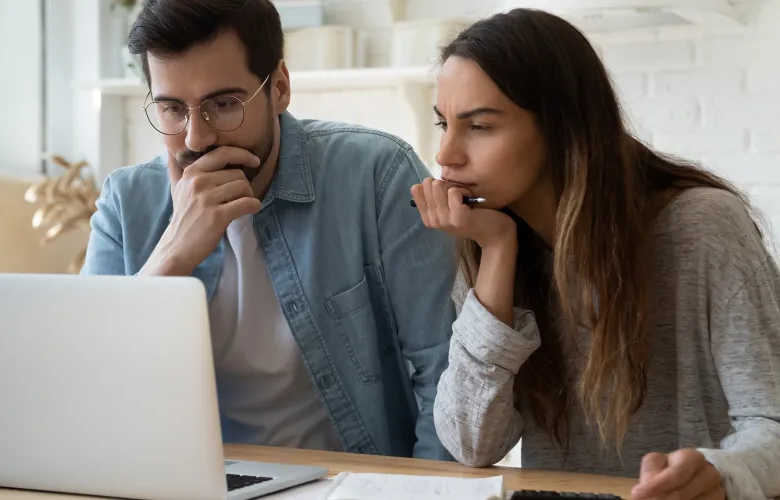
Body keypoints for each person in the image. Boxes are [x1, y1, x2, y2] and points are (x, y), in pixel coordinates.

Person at [411, 8, 780, 499]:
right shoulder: (489, 239)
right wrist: (497, 252)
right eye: (443, 124)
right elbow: (473, 444)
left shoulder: (702, 226)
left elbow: (772, 420)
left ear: (562, 127)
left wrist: (721, 473)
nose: (446, 155)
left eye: (479, 126)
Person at [81, 0, 457, 461]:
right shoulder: (125, 204)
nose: (196, 138)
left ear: (279, 88)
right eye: (173, 109)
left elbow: (444, 376)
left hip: (350, 485)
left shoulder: (376, 175)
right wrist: (172, 254)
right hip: (191, 483)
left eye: (223, 105)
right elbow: (89, 393)